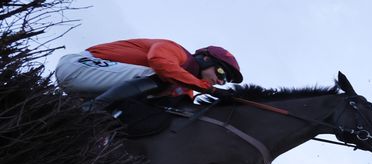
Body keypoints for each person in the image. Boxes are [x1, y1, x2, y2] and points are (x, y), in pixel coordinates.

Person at [54, 38, 243, 111]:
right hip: (77, 66)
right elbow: (161, 64)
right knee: (162, 77)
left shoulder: (186, 85)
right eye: (220, 72)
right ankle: (90, 110)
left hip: (90, 84)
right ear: (206, 59)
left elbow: (183, 109)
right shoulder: (175, 50)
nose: (219, 81)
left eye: (224, 80)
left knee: (169, 101)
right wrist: (207, 88)